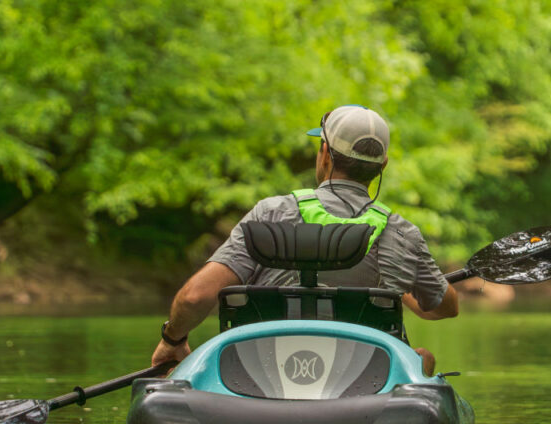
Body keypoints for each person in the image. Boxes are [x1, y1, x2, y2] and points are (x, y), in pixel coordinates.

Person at [151, 105, 458, 374]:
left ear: (324, 153)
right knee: (423, 358)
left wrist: (172, 340)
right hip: (364, 377)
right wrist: (401, 288)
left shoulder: (270, 213)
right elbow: (445, 307)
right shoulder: (403, 233)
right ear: (383, 166)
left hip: (260, 373)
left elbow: (195, 297)